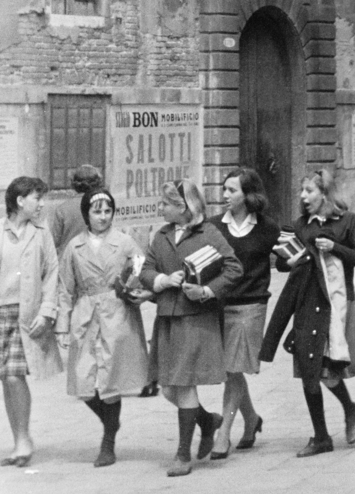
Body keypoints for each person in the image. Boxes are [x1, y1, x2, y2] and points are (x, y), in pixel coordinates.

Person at [260, 168, 355, 458]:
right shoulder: (298, 225)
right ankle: (321, 435)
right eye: (302, 191)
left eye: (309, 191)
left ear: (325, 194)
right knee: (310, 369)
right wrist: (292, 260)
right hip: (308, 301)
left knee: (328, 370)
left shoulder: (348, 221)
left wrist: (335, 247)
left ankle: (350, 409)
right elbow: (281, 262)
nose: (303, 196)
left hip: (338, 304)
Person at [139, 179, 241, 476]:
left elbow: (234, 267)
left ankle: (183, 455)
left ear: (183, 207)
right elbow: (146, 269)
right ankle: (208, 421)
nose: (160, 208)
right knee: (169, 388)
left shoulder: (209, 232)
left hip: (196, 319)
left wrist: (208, 290)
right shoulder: (161, 235)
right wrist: (160, 280)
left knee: (183, 385)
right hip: (167, 319)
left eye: (165, 204)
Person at [56, 185, 149, 465]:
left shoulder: (124, 242)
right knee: (83, 380)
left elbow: (140, 270)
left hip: (116, 313)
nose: (103, 217)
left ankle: (108, 442)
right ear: (86, 214)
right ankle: (111, 424)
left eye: (108, 211)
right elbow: (64, 288)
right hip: (85, 313)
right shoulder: (74, 246)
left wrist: (135, 289)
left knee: (110, 380)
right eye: (97, 211)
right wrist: (62, 324)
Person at [209, 167, 280, 458]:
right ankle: (251, 419)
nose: (225, 195)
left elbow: (290, 258)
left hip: (251, 305)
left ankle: (223, 433)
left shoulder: (268, 228)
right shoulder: (214, 226)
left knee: (233, 368)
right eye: (224, 189)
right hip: (220, 305)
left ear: (248, 194)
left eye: (231, 190)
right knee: (231, 368)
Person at [1, 176, 63, 466]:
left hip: (27, 314)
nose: (41, 204)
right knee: (5, 377)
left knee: (14, 375)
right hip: (1, 312)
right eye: (37, 198)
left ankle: (24, 439)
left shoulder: (41, 233)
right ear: (19, 201)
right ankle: (18, 441)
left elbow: (52, 272)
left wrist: (47, 311)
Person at [48, 164, 104, 259]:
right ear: (97, 183)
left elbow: (54, 242)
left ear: (74, 183)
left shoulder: (62, 209)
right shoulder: (103, 207)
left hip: (68, 261)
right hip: (95, 260)